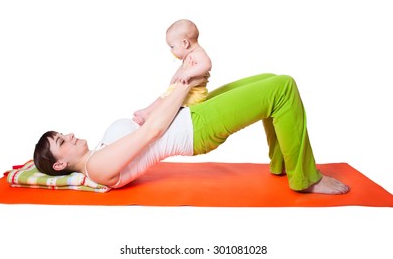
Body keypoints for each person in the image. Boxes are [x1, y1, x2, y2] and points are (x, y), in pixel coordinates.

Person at [33, 73, 350, 194]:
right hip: (197, 128)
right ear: (60, 165)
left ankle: (283, 165)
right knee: (281, 89)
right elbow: (154, 132)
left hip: (190, 115)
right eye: (62, 141)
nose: (69, 134)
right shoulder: (98, 167)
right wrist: (182, 86)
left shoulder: (100, 149)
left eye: (62, 133)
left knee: (271, 80)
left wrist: (169, 91)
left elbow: (148, 120)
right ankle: (304, 178)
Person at [133, 19, 212, 125]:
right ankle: (146, 111)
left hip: (194, 93)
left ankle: (149, 118)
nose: (171, 51)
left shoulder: (198, 53)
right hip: (186, 90)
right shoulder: (189, 56)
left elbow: (206, 64)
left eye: (172, 47)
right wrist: (175, 77)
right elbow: (182, 69)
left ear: (185, 43)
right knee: (162, 98)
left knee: (166, 103)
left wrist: (188, 73)